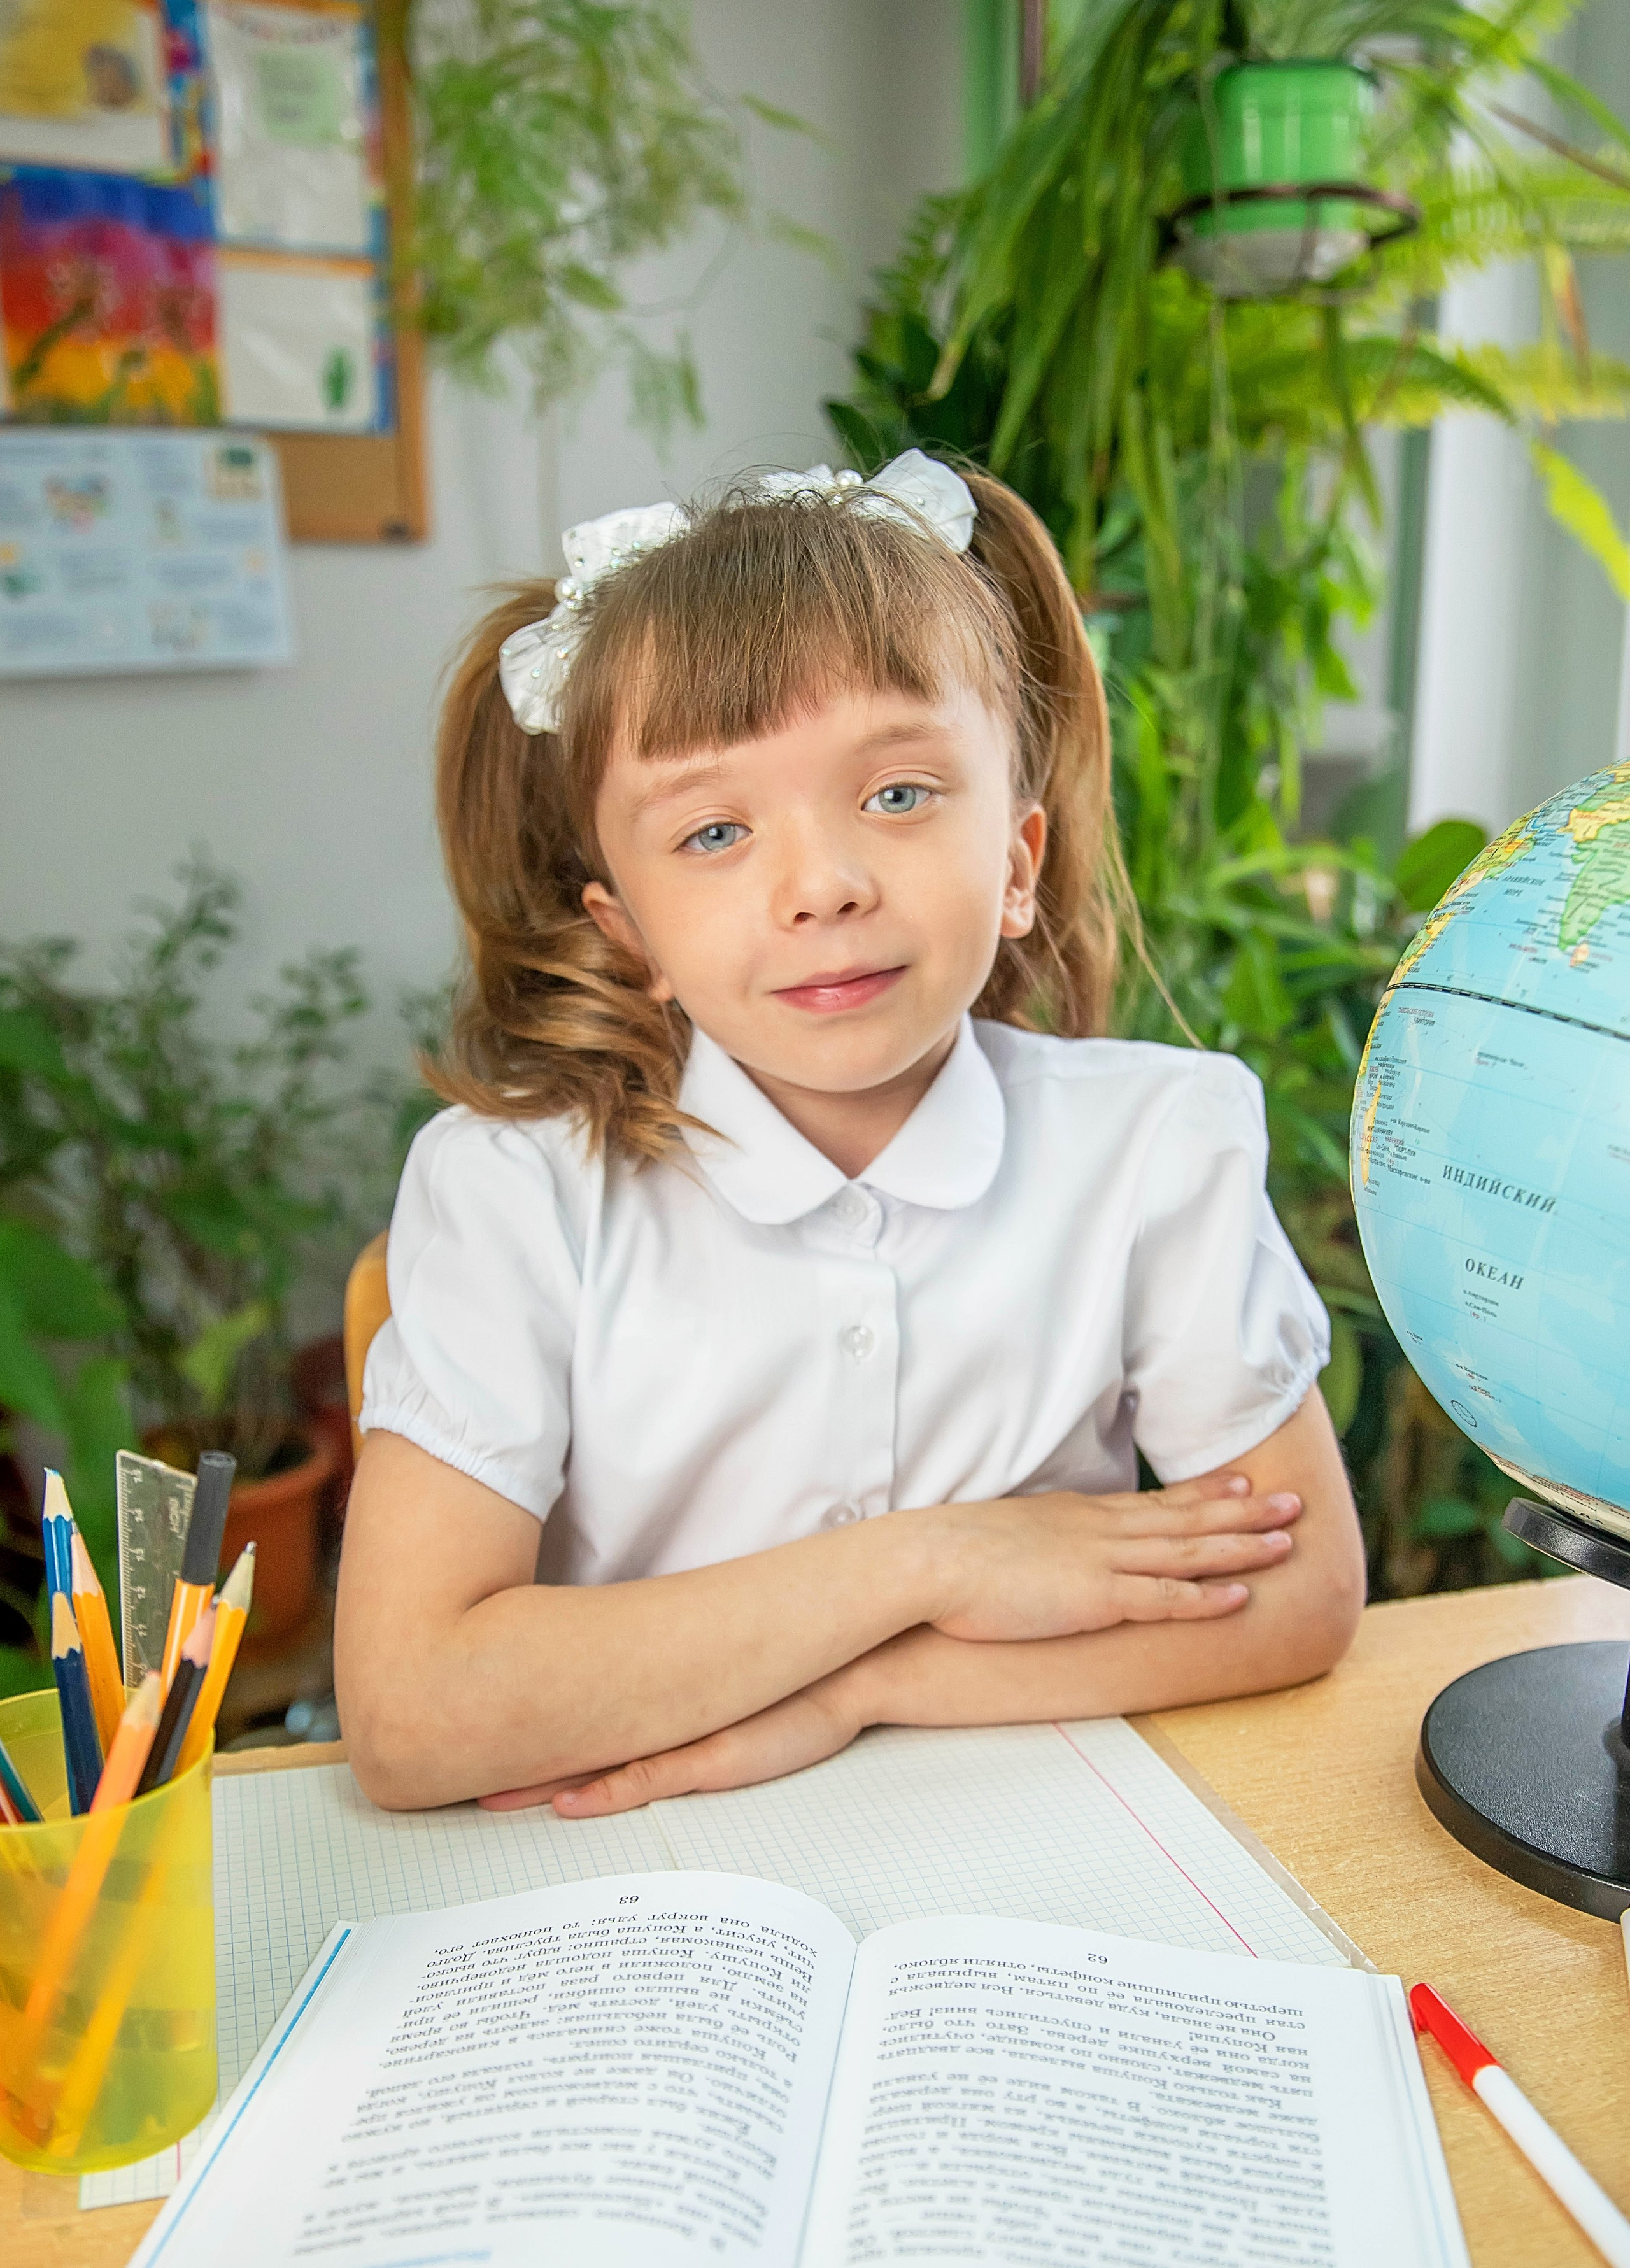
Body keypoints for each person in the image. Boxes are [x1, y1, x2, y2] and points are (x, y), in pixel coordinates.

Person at [335, 451, 1364, 1816]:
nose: (820, 885)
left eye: (896, 794)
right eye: (711, 830)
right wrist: (936, 1560)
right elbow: (413, 1713)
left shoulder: (1156, 1141)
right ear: (624, 928)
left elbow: (1295, 1593)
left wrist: (857, 1686)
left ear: (1015, 859)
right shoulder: (510, 1190)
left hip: (1032, 1847)